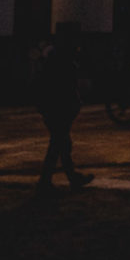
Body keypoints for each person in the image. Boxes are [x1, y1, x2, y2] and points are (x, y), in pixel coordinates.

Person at [33, 29, 94, 195]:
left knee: (62, 144)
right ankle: (47, 182)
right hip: (58, 110)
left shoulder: (54, 60)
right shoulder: (63, 62)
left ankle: (69, 178)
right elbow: (66, 89)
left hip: (52, 109)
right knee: (58, 144)